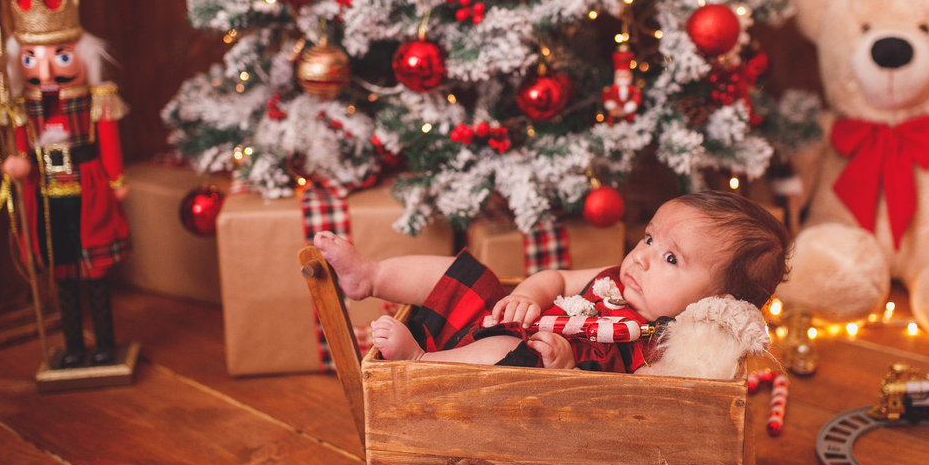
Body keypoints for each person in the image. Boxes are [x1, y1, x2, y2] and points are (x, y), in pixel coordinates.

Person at [314, 191, 789, 372]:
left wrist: (564, 368)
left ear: (714, 302)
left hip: (516, 373)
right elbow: (556, 275)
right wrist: (525, 294)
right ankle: (370, 276)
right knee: (471, 275)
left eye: (669, 257)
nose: (641, 259)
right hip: (498, 320)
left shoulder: (663, 345)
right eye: (647, 239)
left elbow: (627, 409)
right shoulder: (611, 283)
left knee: (509, 356)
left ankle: (420, 363)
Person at [1, 0, 131, 368]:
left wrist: (116, 177)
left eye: (58, 56)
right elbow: (23, 148)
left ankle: (105, 344)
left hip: (89, 187)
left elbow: (107, 138)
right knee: (63, 271)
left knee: (94, 272)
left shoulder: (95, 99)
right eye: (30, 58)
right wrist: (19, 164)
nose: (43, 69)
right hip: (48, 196)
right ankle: (73, 345)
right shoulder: (27, 108)